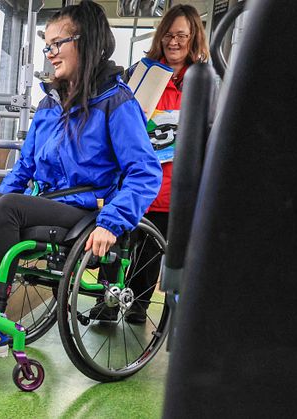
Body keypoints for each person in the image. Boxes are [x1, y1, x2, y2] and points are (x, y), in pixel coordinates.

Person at [0, 0, 162, 359]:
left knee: (10, 207)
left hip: (88, 211)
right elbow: (24, 168)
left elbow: (144, 172)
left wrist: (112, 223)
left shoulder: (116, 102)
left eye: (55, 44)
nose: (49, 54)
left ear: (86, 41)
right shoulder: (49, 103)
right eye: (46, 45)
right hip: (49, 203)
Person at [123, 3, 209, 324]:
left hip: (177, 184)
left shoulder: (201, 81)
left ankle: (142, 306)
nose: (174, 42)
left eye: (182, 36)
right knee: (120, 246)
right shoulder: (142, 75)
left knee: (156, 251)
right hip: (139, 180)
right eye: (169, 35)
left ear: (193, 38)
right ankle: (114, 298)